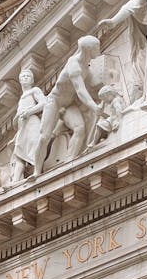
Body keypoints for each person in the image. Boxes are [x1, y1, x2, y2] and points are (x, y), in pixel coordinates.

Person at [33, 36, 102, 176]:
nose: (99, 51)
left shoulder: (85, 67)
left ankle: (69, 161)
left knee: (80, 128)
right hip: (55, 102)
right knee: (44, 137)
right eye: (96, 48)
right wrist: (95, 107)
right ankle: (36, 171)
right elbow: (81, 91)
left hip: (69, 104)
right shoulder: (74, 64)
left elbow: (95, 85)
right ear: (89, 50)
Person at [11, 68, 46, 182]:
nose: (25, 78)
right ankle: (15, 181)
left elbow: (44, 102)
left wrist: (29, 112)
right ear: (20, 81)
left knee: (34, 145)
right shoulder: (21, 98)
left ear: (32, 80)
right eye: (23, 76)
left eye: (28, 76)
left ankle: (37, 170)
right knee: (19, 153)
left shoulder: (34, 90)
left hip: (32, 122)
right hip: (22, 127)